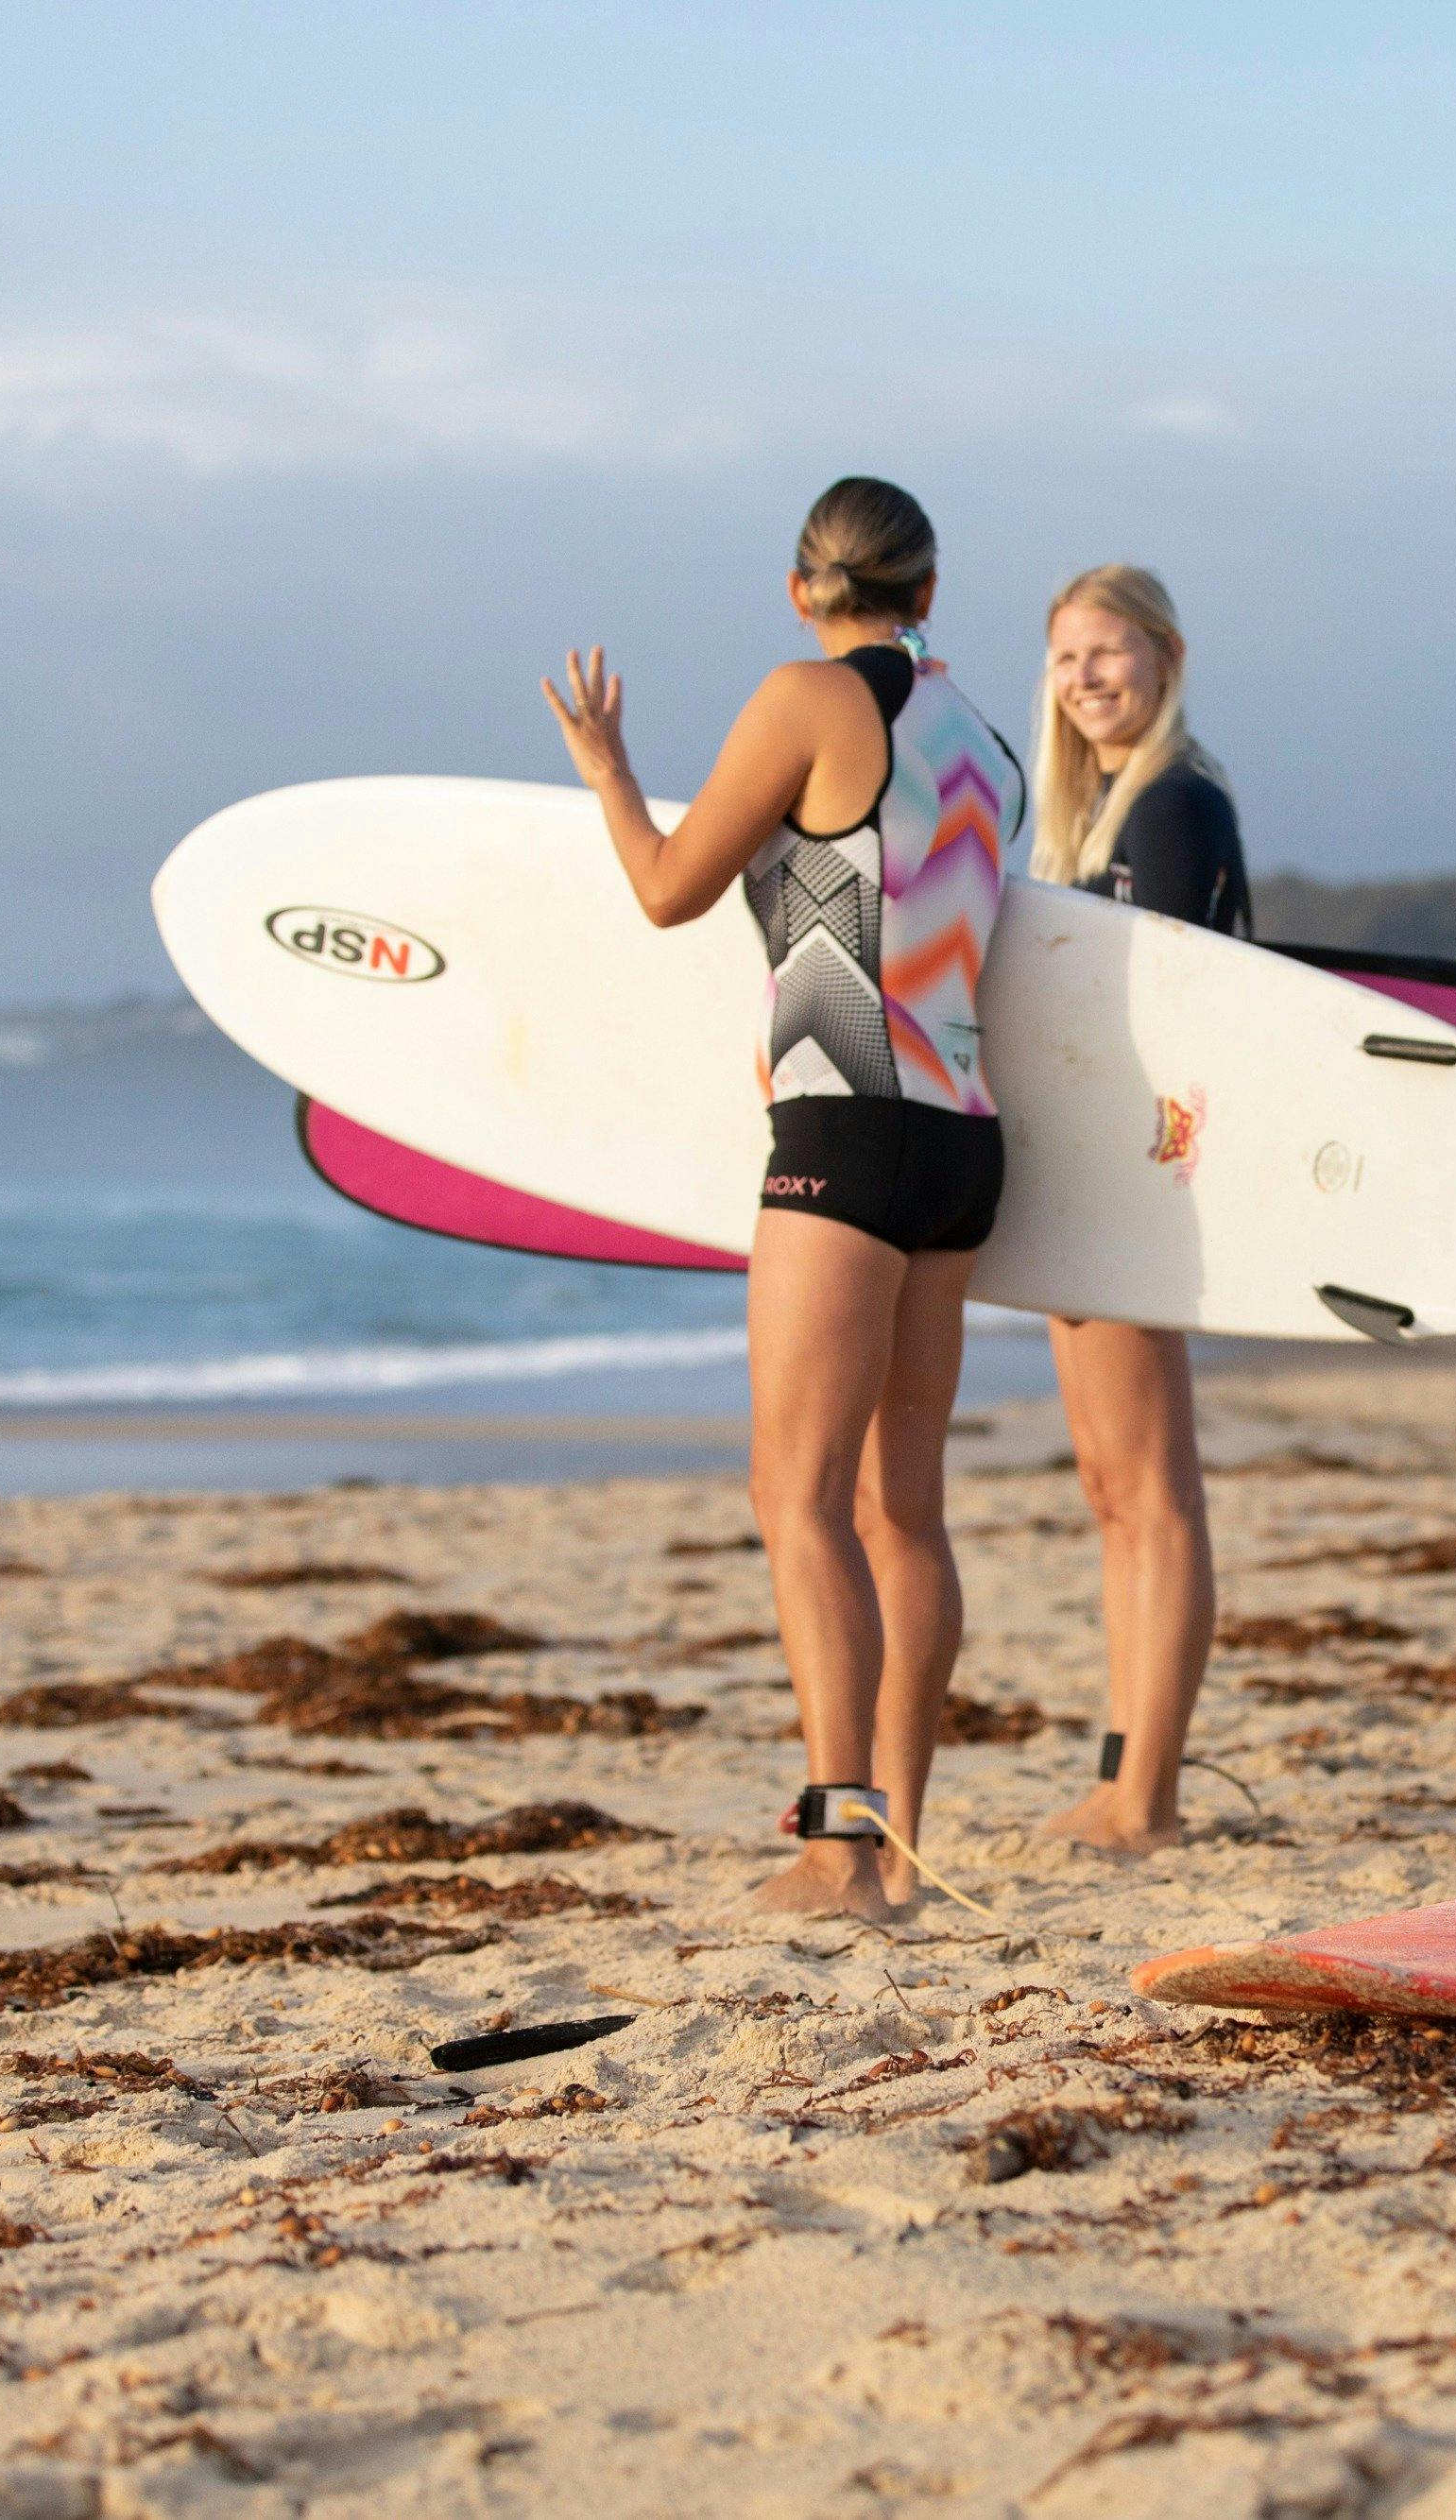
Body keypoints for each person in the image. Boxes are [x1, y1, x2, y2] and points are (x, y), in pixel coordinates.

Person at [542, 476, 1020, 1921]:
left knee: (798, 1494)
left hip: (845, 1126)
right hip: (962, 1134)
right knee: (905, 1510)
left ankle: (839, 1850)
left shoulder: (810, 696)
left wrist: (609, 773)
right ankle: (903, 1845)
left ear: (804, 588)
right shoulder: (987, 742)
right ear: (930, 593)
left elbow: (671, 888)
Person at [1022, 565, 1244, 1854]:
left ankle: (1148, 1793)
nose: (1087, 677)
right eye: (1065, 659)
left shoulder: (1173, 803)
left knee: (1151, 1488)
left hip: (1135, 1179)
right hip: (1093, 1176)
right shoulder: (1098, 807)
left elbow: (1167, 1015)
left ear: (1164, 655)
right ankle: (1124, 1769)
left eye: (1108, 652)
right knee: (1112, 1484)